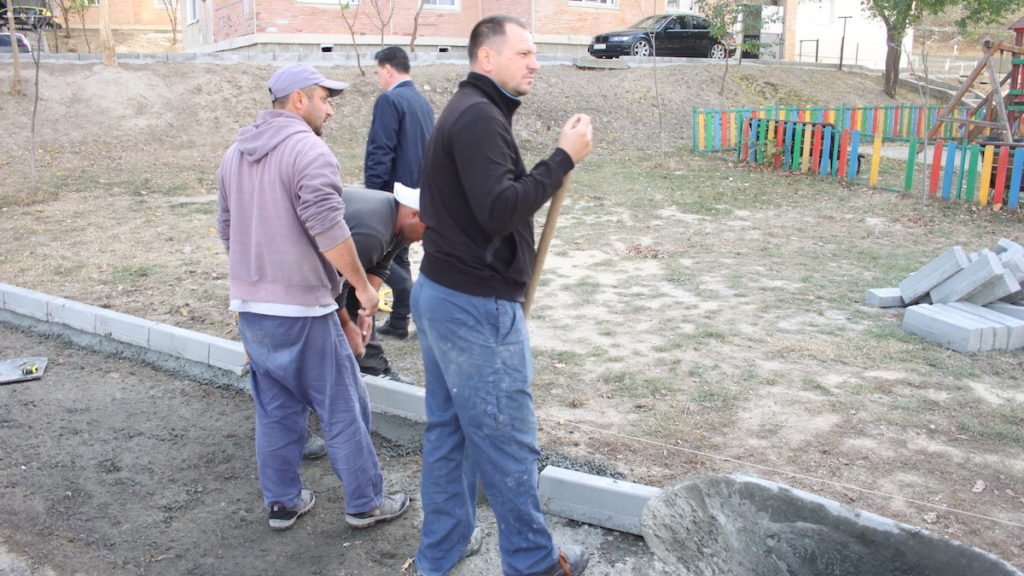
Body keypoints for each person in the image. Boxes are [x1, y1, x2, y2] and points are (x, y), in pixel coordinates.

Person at [412, 15, 593, 576]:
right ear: (487, 58)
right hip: (474, 308)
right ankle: (535, 563)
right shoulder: (478, 117)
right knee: (506, 442)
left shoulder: (472, 111)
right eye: (524, 53)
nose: (535, 63)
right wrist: (562, 159)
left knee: (451, 433)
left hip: (446, 295)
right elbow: (498, 210)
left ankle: (440, 554)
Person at [216, 63, 410, 532]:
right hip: (303, 310)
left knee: (276, 412)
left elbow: (227, 229)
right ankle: (365, 503)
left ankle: (283, 504)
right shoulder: (309, 150)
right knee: (343, 407)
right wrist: (361, 286)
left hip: (252, 309)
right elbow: (327, 226)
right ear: (299, 100)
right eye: (325, 99)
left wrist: (256, 279)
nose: (330, 110)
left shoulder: (234, 155)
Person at [363, 46, 435, 340]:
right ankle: (398, 321)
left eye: (378, 72)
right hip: (417, 193)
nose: (378, 78)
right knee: (398, 256)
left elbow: (381, 149)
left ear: (388, 69)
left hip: (391, 195)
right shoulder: (421, 102)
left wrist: (372, 195)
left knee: (380, 258)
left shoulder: (390, 100)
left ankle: (414, 307)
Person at [334, 185, 424, 383]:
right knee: (327, 319)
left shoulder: (399, 220)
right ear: (414, 214)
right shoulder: (372, 234)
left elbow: (380, 267)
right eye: (428, 230)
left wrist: (366, 311)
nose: (423, 239)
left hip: (334, 270)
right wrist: (347, 325)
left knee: (363, 297)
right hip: (297, 263)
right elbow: (333, 288)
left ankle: (370, 365)